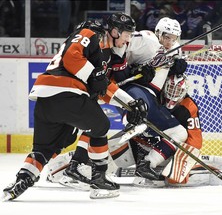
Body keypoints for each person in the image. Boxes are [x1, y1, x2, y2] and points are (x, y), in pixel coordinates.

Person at [2, 13, 147, 201]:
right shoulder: (91, 33)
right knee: (100, 125)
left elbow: (102, 87)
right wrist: (95, 74)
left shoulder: (102, 57)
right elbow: (72, 56)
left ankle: (22, 180)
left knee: (46, 149)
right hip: (65, 92)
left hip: (47, 100)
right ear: (114, 31)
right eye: (127, 35)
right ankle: (99, 178)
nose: (128, 40)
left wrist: (130, 104)